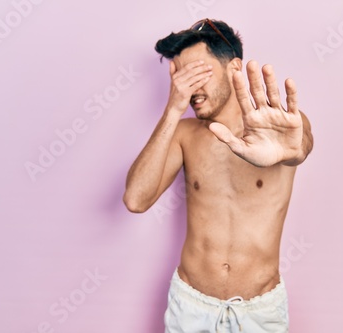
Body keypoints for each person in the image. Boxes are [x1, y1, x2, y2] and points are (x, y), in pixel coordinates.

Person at [123, 18, 313, 333]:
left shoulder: (280, 126)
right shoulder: (185, 133)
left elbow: (300, 145)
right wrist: (172, 109)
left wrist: (294, 149)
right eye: (181, 77)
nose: (189, 87)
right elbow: (135, 199)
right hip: (191, 307)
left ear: (234, 67)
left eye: (198, 73)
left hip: (260, 311)